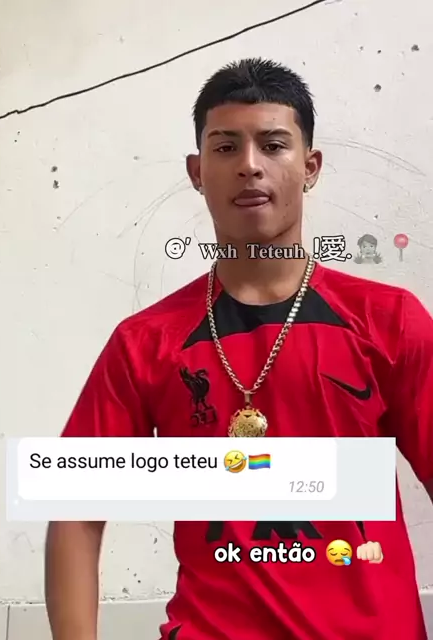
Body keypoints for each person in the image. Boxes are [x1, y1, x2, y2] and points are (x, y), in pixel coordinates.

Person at [45, 58, 433, 639]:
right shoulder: (144, 343)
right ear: (197, 171)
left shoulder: (389, 322)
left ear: (310, 167)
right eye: (225, 148)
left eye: (273, 145)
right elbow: (74, 506)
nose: (250, 165)